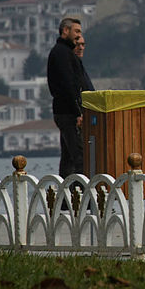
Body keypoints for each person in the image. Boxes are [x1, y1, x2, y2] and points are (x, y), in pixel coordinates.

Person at [47, 17, 84, 178]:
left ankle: (65, 199)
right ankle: (80, 197)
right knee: (79, 158)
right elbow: (69, 85)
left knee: (68, 158)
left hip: (64, 111)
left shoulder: (64, 52)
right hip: (68, 112)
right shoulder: (62, 54)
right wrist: (78, 112)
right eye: (76, 31)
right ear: (65, 31)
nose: (78, 35)